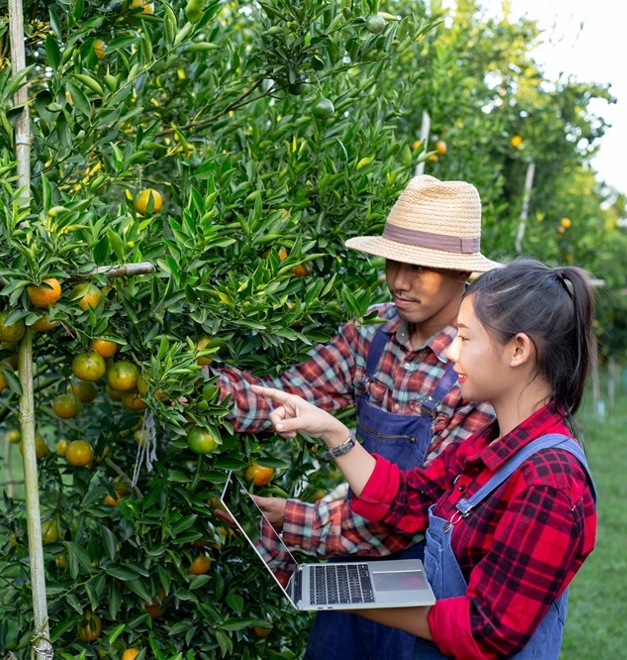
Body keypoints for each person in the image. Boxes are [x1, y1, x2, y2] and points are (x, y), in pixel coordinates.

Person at [205, 174, 499, 659]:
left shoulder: (475, 369)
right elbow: (291, 395)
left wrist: (294, 520)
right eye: (393, 262)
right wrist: (194, 386)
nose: (400, 280)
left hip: (424, 587)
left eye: (420, 267)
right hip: (353, 571)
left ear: (460, 274)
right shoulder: (373, 332)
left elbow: (419, 509)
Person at [249, 257, 600, 659]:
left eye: (465, 339)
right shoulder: (491, 443)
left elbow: (486, 630)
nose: (451, 352)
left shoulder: (549, 481)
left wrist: (336, 594)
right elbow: (409, 499)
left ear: (518, 349)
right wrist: (334, 432)